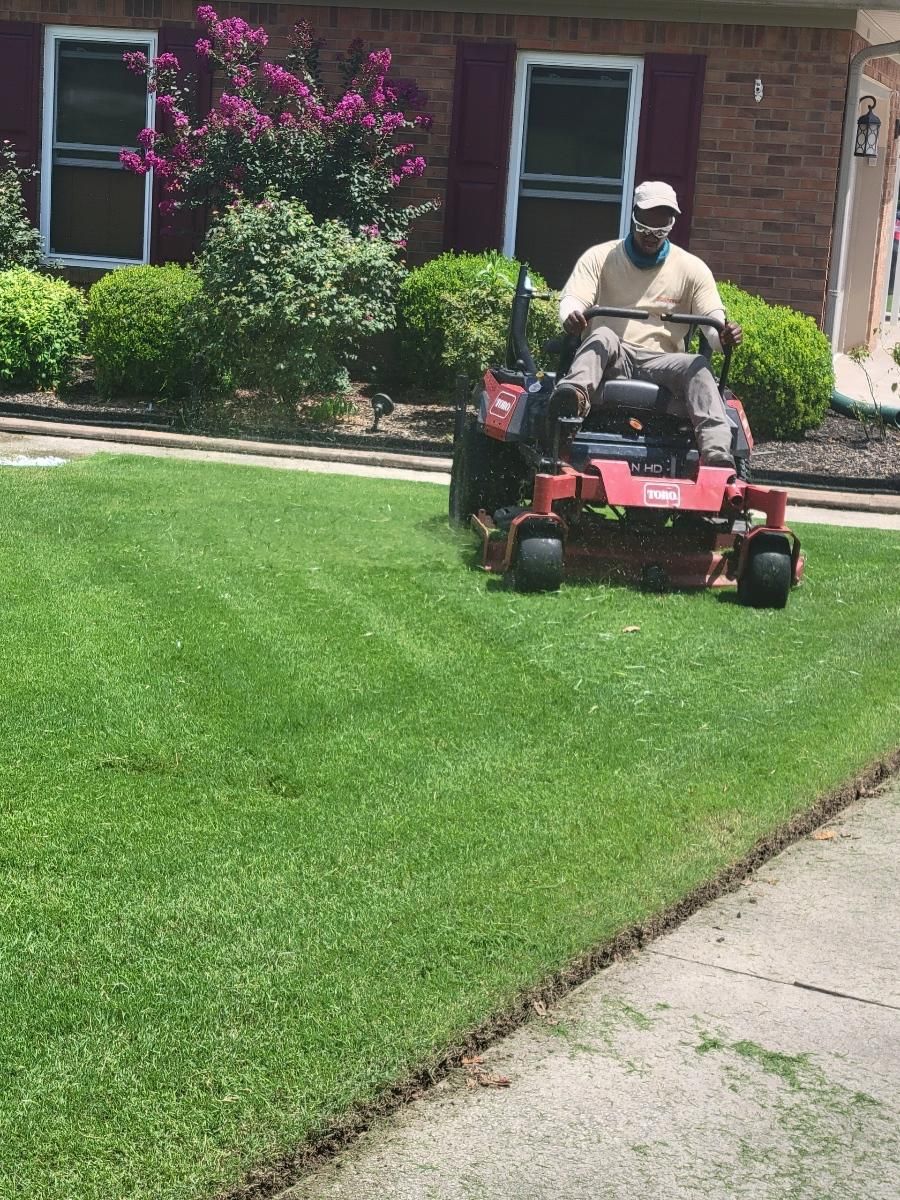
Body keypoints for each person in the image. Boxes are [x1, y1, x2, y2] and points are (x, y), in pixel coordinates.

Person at [549, 180, 743, 469]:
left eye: (661, 229)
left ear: (672, 223)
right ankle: (571, 401)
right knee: (601, 334)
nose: (652, 235)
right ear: (634, 216)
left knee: (698, 365)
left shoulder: (692, 269)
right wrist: (572, 316)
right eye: (645, 227)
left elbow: (712, 322)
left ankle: (717, 456)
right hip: (614, 355)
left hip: (664, 362)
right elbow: (573, 299)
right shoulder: (600, 257)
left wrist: (723, 335)